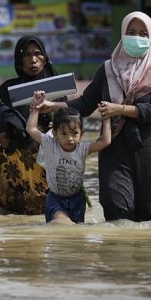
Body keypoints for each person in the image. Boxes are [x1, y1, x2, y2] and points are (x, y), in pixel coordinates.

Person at [37, 11, 151, 224]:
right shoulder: (107, 70)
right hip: (113, 146)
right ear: (122, 34)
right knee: (116, 205)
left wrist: (120, 110)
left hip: (150, 147)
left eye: (143, 34)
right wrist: (52, 105)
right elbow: (85, 104)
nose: (137, 38)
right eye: (131, 32)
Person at [0, 36, 65, 215]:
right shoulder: (7, 89)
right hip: (13, 166)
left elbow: (69, 121)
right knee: (10, 219)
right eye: (27, 54)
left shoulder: (57, 88)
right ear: (19, 60)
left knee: (48, 214)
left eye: (38, 54)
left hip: (45, 162)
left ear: (45, 57)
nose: (33, 59)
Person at [26, 92, 112, 224]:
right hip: (55, 199)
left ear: (81, 133)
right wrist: (36, 108)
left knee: (75, 237)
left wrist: (106, 118)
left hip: (77, 199)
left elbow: (105, 141)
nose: (70, 138)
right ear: (55, 133)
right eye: (64, 133)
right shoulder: (49, 143)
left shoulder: (83, 148)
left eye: (74, 133)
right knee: (60, 223)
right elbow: (31, 128)